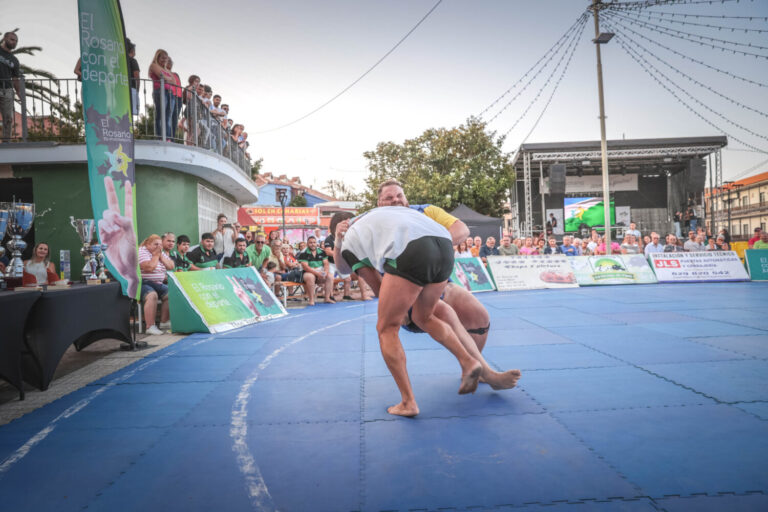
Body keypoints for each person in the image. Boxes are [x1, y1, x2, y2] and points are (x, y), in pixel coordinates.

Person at [333, 206, 518, 417]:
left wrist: (398, 315)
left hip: (411, 251)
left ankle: (408, 402)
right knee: (425, 316)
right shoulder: (387, 216)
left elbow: (376, 286)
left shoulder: (350, 243)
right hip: (444, 245)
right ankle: (469, 362)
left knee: (386, 328)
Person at [138, 234, 174, 335]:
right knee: (152, 295)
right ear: (148, 244)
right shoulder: (142, 251)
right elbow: (149, 268)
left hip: (158, 283)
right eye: (155, 244)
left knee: (171, 293)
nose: (159, 247)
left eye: (160, 245)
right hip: (143, 282)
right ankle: (150, 326)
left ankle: (164, 322)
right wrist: (156, 256)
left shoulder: (160, 253)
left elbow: (171, 266)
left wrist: (161, 257)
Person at [297, 235, 335, 305]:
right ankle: (311, 299)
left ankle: (327, 298)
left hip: (320, 271)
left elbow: (326, 264)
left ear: (316, 243)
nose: (312, 244)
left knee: (330, 276)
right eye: (310, 243)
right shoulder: (303, 252)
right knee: (310, 277)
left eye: (314, 242)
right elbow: (305, 267)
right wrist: (318, 274)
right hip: (308, 272)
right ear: (307, 244)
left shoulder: (322, 251)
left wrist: (325, 273)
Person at [324, 213, 354, 300]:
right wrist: (338, 253)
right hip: (331, 263)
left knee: (348, 279)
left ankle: (346, 295)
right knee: (330, 278)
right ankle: (330, 296)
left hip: (340, 263)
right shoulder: (329, 239)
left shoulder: (344, 237)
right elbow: (328, 251)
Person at [148, 49, 176, 140]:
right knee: (161, 114)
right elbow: (162, 77)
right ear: (158, 57)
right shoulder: (154, 65)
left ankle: (167, 137)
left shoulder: (166, 69)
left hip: (170, 93)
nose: (164, 60)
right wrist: (167, 78)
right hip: (160, 91)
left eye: (166, 59)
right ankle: (160, 136)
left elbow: (174, 81)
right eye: (163, 58)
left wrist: (167, 78)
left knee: (168, 116)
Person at [0, 31, 21, 142]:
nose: (14, 42)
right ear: (5, 38)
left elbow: (15, 78)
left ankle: (6, 142)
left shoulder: (14, 60)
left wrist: (19, 92)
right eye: (12, 39)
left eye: (16, 41)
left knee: (8, 118)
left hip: (7, 90)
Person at [126, 40, 140, 117]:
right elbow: (136, 76)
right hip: (132, 89)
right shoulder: (133, 61)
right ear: (132, 50)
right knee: (131, 112)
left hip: (122, 88)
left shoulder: (120, 60)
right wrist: (137, 91)